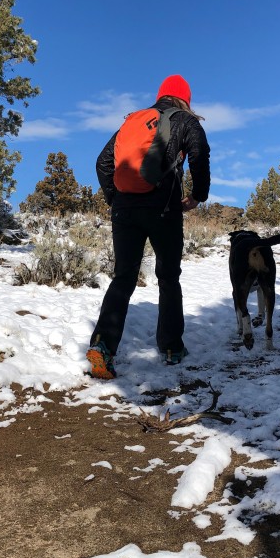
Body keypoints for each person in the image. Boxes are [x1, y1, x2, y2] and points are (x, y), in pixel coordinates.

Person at [86, 74, 211, 379]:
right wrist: (197, 196)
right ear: (185, 98)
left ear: (160, 95)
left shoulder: (135, 121)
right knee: (168, 278)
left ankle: (102, 346)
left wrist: (115, 198)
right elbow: (199, 155)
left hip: (124, 210)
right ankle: (171, 348)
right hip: (163, 209)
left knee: (123, 278)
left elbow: (103, 162)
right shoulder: (185, 120)